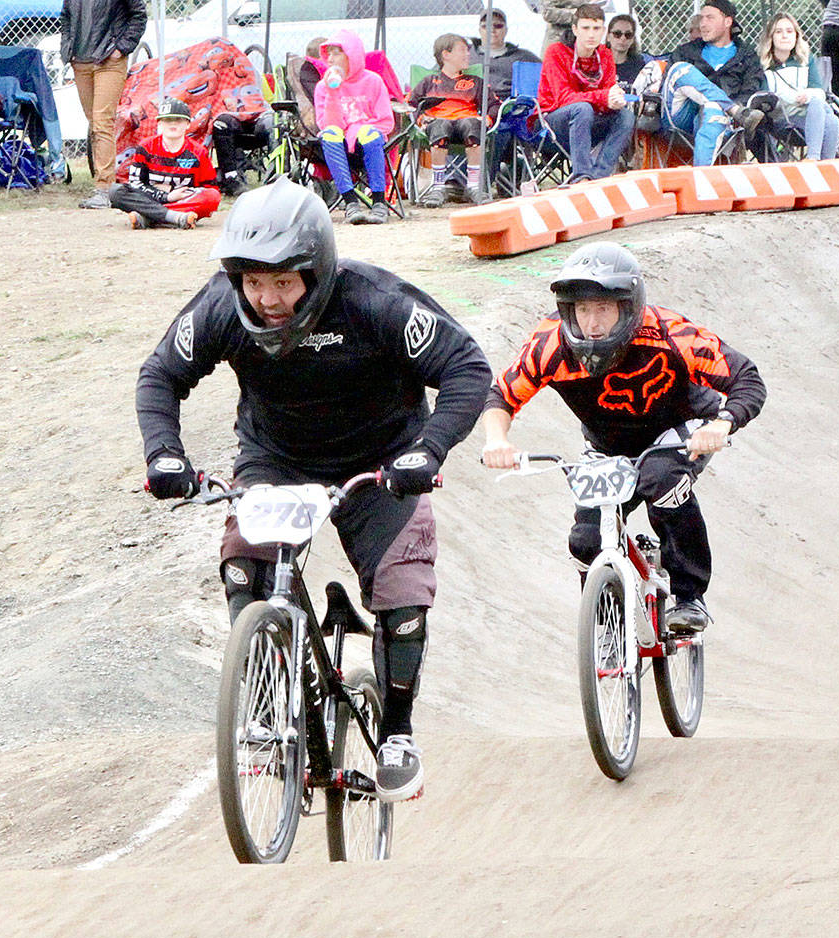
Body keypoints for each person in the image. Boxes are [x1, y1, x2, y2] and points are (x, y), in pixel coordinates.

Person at [136, 178, 493, 802]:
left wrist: (427, 451)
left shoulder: (375, 301)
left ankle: (398, 733)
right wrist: (165, 455)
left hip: (382, 462)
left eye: (283, 282)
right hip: (277, 458)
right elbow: (161, 373)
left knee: (402, 590)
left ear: (317, 270)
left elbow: (466, 367)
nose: (267, 299)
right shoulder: (222, 306)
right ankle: (274, 701)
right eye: (253, 281)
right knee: (244, 564)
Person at [481, 242, 766, 634]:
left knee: (661, 480)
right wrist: (497, 439)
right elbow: (502, 394)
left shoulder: (669, 333)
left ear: (627, 307)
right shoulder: (551, 344)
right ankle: (606, 628)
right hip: (606, 445)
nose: (592, 323)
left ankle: (689, 596)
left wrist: (722, 424)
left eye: (602, 309)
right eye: (582, 310)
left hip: (678, 431)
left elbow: (746, 377)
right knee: (585, 541)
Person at [659, 0, 769, 166]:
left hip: (723, 122)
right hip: (682, 118)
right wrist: (733, 108)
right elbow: (670, 80)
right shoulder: (686, 51)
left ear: (727, 22)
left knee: (713, 108)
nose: (702, 24)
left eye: (709, 18)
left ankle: (702, 181)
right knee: (680, 69)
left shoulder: (746, 56)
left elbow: (751, 89)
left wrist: (720, 106)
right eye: (701, 18)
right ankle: (732, 109)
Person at [60, 0, 147, 208]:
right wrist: (68, 48)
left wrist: (121, 48)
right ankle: (103, 185)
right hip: (80, 60)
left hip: (109, 59)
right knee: (95, 123)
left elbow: (139, 15)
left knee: (102, 122)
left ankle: (105, 189)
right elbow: (65, 17)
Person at [538, 3, 635, 183]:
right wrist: (604, 97)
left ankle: (599, 177)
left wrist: (613, 100)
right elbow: (563, 98)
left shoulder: (605, 55)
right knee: (581, 109)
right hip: (551, 124)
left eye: (596, 28)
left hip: (588, 121)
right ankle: (581, 177)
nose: (591, 34)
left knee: (626, 116)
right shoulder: (556, 52)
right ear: (575, 29)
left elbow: (607, 93)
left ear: (604, 30)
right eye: (586, 28)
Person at [314, 30, 395, 224]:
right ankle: (350, 202)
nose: (330, 59)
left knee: (369, 133)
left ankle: (378, 202)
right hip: (339, 147)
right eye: (328, 54)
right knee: (330, 134)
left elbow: (386, 121)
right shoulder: (322, 87)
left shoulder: (373, 81)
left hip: (367, 145)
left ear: (352, 55)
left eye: (336, 53)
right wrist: (333, 92)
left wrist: (358, 129)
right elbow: (327, 125)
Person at [411, 33, 498, 208]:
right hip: (438, 124)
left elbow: (494, 104)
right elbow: (411, 105)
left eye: (468, 51)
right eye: (462, 50)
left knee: (473, 124)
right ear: (446, 55)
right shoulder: (429, 82)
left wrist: (487, 119)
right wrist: (421, 119)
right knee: (439, 125)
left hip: (466, 124)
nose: (468, 55)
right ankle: (438, 187)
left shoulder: (475, 82)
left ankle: (473, 186)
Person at [108, 97, 221, 229]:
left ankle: (149, 217)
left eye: (178, 120)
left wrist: (179, 196)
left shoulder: (199, 152)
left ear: (188, 124)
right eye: (167, 120)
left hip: (182, 201)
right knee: (116, 191)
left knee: (212, 197)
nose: (173, 124)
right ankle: (174, 218)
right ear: (159, 123)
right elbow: (135, 183)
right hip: (152, 198)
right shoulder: (145, 147)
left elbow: (210, 188)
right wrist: (166, 196)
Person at [759, 12, 839, 160]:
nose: (785, 36)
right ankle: (816, 160)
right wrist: (795, 97)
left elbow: (819, 91)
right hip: (782, 120)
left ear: (796, 35)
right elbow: (766, 98)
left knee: (831, 119)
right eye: (779, 32)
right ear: (771, 37)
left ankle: (821, 164)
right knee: (825, 114)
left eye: (789, 31)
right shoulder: (763, 64)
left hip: (810, 116)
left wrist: (807, 95)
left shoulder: (805, 59)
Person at [470, 9, 542, 101]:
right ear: (479, 30)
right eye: (486, 26)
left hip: (512, 105)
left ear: (506, 30)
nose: (492, 30)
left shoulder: (524, 57)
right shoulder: (466, 54)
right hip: (475, 105)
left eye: (498, 26)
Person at [211, 104, 274, 197]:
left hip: (262, 119)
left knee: (275, 122)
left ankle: (278, 175)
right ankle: (231, 177)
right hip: (231, 123)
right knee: (221, 123)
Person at [607, 14, 647, 84]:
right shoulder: (596, 63)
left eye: (628, 35)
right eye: (617, 34)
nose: (623, 38)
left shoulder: (639, 65)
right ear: (608, 37)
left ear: (633, 39)